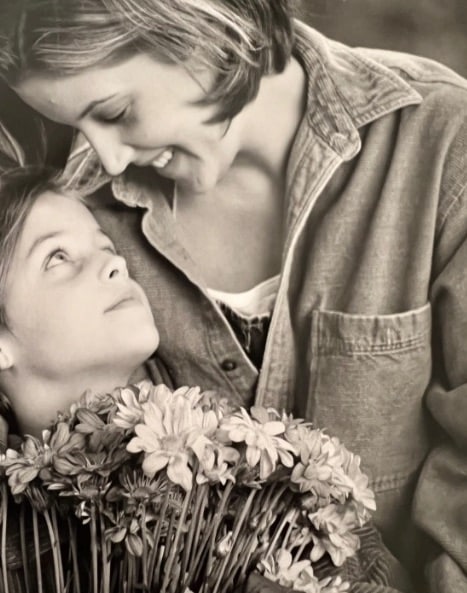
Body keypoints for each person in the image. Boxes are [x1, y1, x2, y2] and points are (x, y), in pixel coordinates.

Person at [0, 1, 466, 591]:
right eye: (79, 128)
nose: (108, 157)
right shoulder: (79, 210)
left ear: (196, 30)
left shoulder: (443, 146)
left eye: (116, 111)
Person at [0, 164, 409, 593]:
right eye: (57, 258)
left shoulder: (251, 477)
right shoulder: (16, 540)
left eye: (105, 245)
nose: (115, 263)